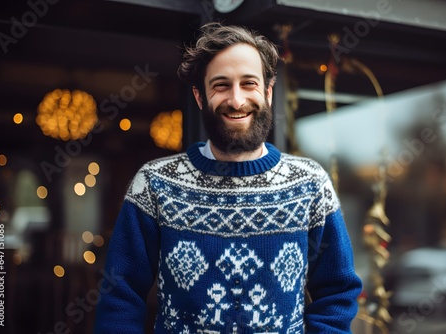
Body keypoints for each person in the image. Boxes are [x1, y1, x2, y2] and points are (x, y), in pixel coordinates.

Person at [94, 21, 362, 334]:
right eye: (221, 85)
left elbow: (337, 293)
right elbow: (120, 295)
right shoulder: (155, 184)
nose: (236, 100)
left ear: (268, 92)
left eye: (249, 83)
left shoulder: (310, 184)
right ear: (199, 97)